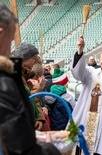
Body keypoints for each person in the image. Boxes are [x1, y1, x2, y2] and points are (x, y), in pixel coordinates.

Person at [0, 2, 60, 155]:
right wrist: (52, 150)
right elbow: (21, 148)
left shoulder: (14, 73)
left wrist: (38, 118)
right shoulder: (6, 80)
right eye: (10, 40)